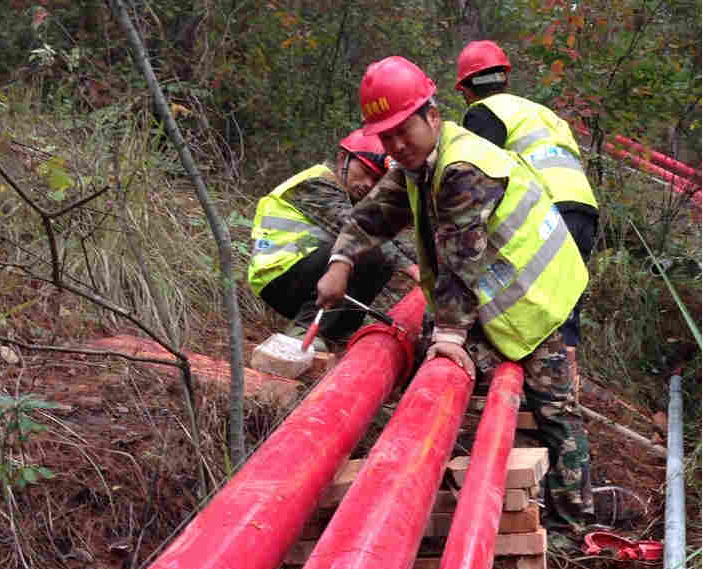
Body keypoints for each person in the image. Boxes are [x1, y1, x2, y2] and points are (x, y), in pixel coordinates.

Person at [316, 56, 594, 530]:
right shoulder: (416, 164)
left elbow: (461, 263)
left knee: (553, 408)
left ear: (432, 115)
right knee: (456, 363)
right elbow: (373, 214)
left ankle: (574, 523)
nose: (397, 145)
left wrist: (449, 338)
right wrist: (340, 261)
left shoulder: (464, 167)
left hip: (538, 297)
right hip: (502, 295)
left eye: (405, 130)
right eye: (387, 137)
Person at [455, 40, 599, 386]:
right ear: (505, 76)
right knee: (563, 300)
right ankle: (566, 390)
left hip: (544, 211)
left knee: (514, 294)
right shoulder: (542, 113)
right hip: (583, 209)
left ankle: (507, 384)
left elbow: (477, 177)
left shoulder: (484, 112)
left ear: (465, 90)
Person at [247, 128, 415, 351]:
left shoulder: (350, 196)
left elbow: (388, 236)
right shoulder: (316, 184)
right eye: (365, 171)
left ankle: (337, 334)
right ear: (342, 158)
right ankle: (303, 332)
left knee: (379, 258)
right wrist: (413, 270)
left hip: (302, 274)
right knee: (364, 250)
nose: (368, 184)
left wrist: (425, 264)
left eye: (377, 180)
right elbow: (359, 232)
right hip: (278, 275)